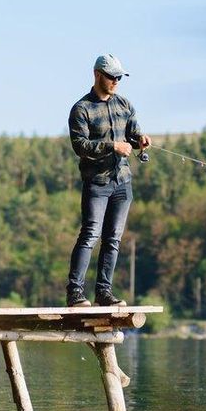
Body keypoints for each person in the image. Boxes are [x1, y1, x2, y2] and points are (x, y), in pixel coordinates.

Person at [66, 54, 152, 306]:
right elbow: (80, 145)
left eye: (119, 77)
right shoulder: (81, 109)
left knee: (113, 239)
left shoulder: (124, 104)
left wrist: (140, 140)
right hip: (96, 184)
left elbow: (133, 135)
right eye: (112, 77)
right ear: (97, 74)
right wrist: (112, 146)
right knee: (90, 235)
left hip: (122, 183)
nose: (116, 81)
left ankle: (104, 293)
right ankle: (75, 293)